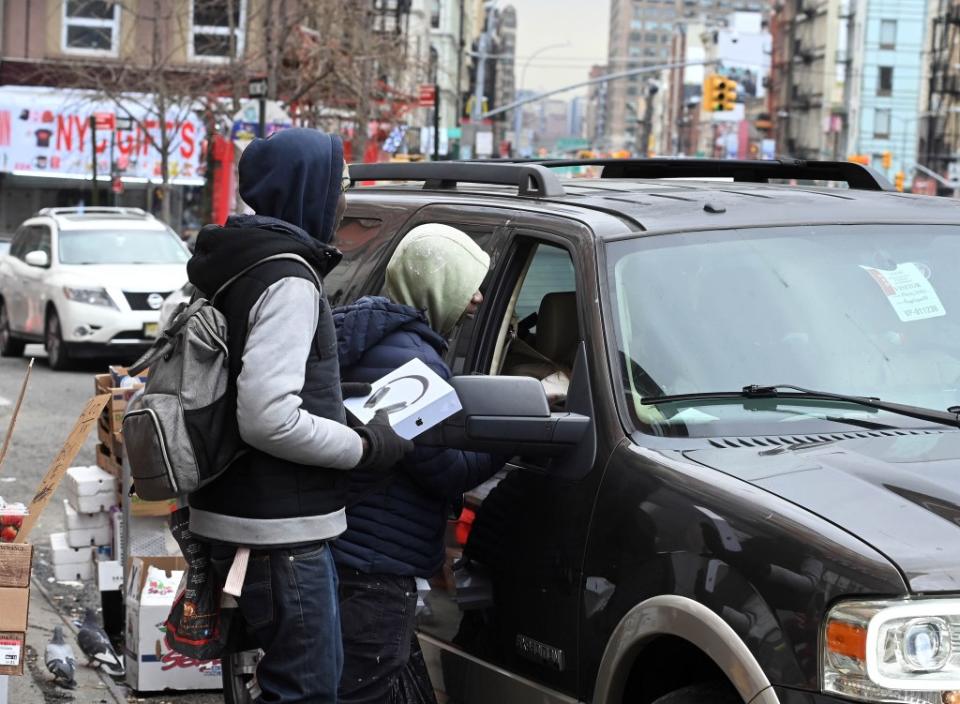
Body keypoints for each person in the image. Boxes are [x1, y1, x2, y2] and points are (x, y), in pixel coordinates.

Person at [185, 128, 413, 704]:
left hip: (240, 516)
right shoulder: (285, 278)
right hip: (277, 532)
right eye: (339, 184)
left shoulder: (234, 263)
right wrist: (362, 445)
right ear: (307, 189)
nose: (343, 198)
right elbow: (267, 417)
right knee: (307, 692)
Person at [332, 223, 506, 703]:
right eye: (469, 285)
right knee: (366, 691)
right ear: (438, 285)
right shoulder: (412, 364)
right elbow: (445, 470)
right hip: (374, 565)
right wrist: (515, 435)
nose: (478, 300)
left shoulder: (373, 335)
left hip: (351, 552)